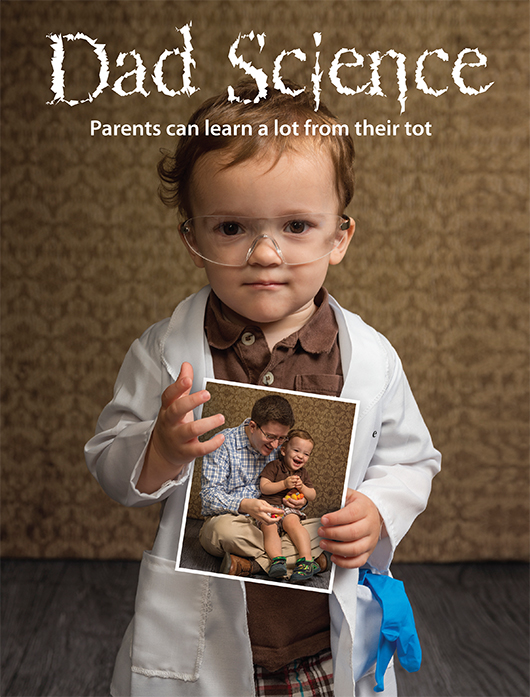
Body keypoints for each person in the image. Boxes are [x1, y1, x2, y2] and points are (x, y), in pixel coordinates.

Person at [85, 78, 441, 696]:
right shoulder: (167, 351)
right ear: (193, 238)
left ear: (340, 237)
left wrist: (380, 509)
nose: (266, 253)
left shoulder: (372, 358)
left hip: (315, 634)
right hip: (206, 621)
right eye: (232, 228)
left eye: (297, 225)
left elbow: (412, 459)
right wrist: (159, 450)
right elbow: (111, 463)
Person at [258, 429, 319, 583]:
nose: (300, 456)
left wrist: (302, 488)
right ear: (284, 451)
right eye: (296, 450)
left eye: (306, 454)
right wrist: (283, 484)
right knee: (269, 526)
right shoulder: (274, 466)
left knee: (293, 522)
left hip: (290, 510)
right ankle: (277, 561)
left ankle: (306, 561)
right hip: (271, 507)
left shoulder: (303, 474)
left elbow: (312, 495)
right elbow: (264, 487)